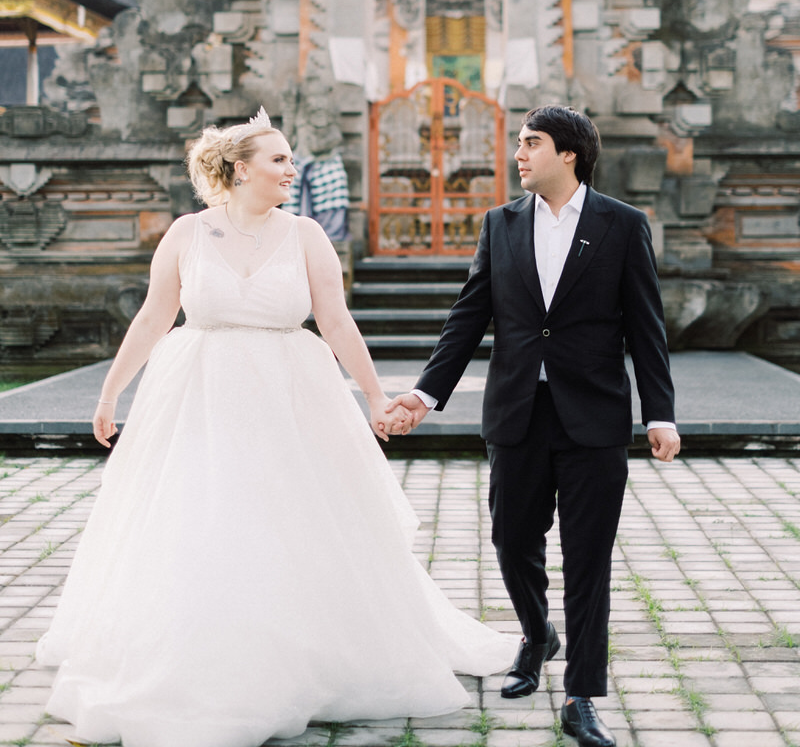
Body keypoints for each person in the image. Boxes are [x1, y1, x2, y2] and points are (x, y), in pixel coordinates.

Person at [36, 108, 515, 747]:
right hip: (198, 394)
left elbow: (337, 323)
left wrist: (375, 397)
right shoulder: (186, 233)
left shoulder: (306, 234)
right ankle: (196, 652)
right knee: (200, 520)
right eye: (280, 160)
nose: (292, 170)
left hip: (290, 396)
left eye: (290, 160)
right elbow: (153, 318)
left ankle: (303, 653)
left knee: (289, 518)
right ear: (239, 169)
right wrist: (110, 391)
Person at [387, 105, 680, 747]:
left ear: (569, 153)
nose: (519, 155)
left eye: (531, 143)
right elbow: (468, 317)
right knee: (511, 537)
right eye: (519, 144)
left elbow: (645, 326)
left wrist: (659, 412)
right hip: (517, 411)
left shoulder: (622, 225)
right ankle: (536, 633)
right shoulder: (500, 224)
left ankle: (582, 696)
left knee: (588, 558)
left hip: (594, 417)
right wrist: (423, 395)